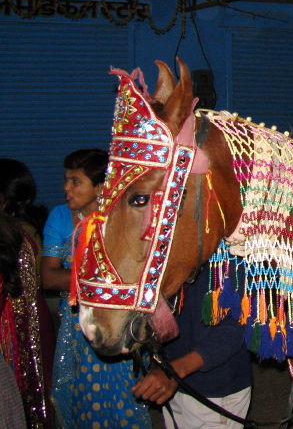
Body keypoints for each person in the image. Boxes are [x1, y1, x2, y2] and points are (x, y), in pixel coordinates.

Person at [41, 149, 152, 429]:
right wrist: (105, 277)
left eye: (75, 181)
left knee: (124, 400)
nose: (66, 188)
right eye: (66, 180)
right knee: (82, 400)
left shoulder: (125, 218)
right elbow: (50, 278)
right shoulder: (60, 217)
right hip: (77, 327)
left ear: (101, 186)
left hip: (120, 322)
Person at [132, 260, 252, 429]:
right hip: (174, 380)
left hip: (214, 390)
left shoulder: (231, 254)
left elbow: (237, 329)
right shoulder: (175, 249)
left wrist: (175, 371)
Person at [0, 160, 54, 428]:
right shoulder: (25, 225)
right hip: (32, 314)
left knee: (26, 388)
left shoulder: (14, 233)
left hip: (18, 320)